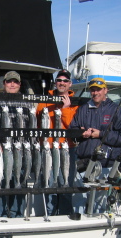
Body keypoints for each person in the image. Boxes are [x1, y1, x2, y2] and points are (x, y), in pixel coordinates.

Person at [69, 77, 121, 214]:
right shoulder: (83, 109)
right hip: (83, 164)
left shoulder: (117, 111)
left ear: (105, 90)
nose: (95, 93)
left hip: (104, 165)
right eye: (92, 90)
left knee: (99, 203)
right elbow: (72, 131)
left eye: (98, 90)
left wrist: (101, 134)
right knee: (78, 199)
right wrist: (80, 133)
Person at [0, 71, 34, 218]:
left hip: (20, 151)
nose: (12, 84)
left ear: (19, 84)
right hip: (0, 150)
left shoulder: (27, 102)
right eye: (9, 81)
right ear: (4, 83)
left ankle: (17, 216)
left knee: (18, 183)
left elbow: (32, 127)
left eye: (16, 82)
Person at [36, 69, 79, 216]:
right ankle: (48, 215)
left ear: (70, 84)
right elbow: (36, 124)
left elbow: (73, 126)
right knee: (48, 182)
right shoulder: (44, 100)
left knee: (65, 183)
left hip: (67, 148)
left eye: (65, 81)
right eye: (59, 80)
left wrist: (65, 109)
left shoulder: (76, 104)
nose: (62, 83)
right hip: (48, 148)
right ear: (55, 82)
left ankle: (65, 216)